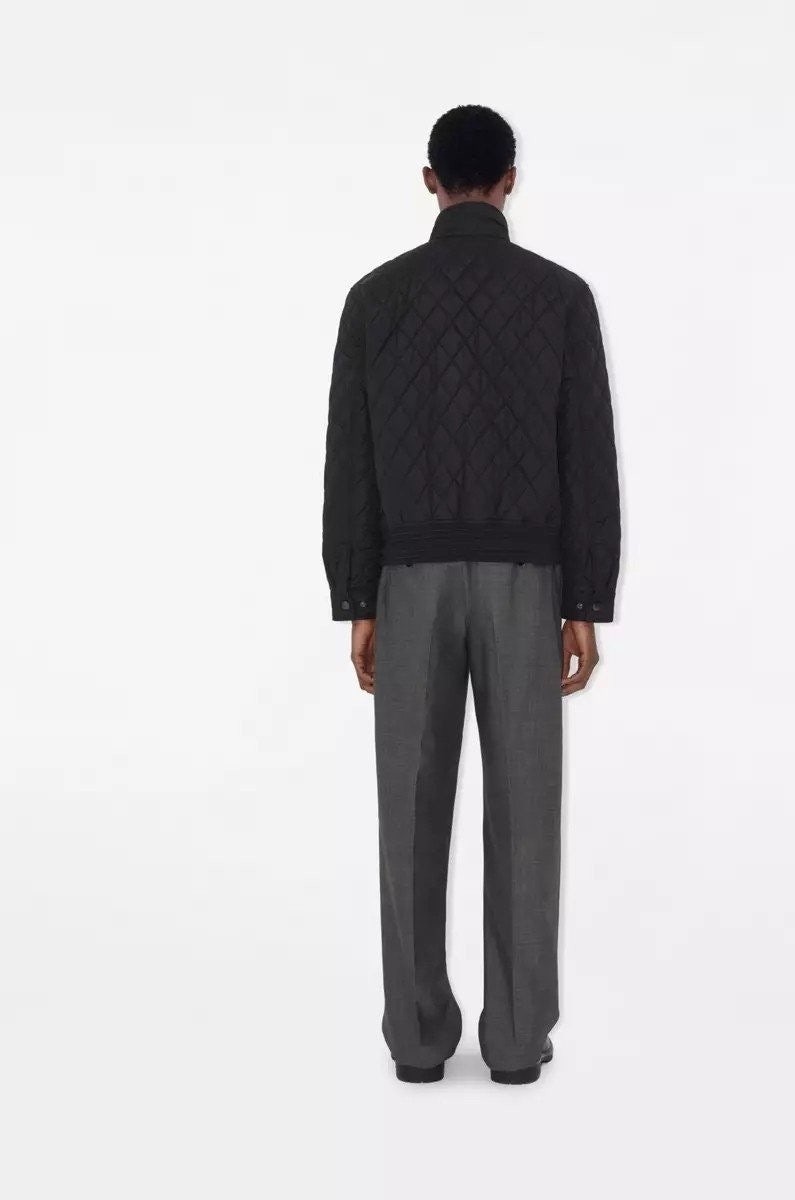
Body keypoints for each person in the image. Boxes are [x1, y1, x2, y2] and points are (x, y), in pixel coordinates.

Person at [322, 104, 620, 1085]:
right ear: (510, 181)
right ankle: (517, 1039)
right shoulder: (561, 297)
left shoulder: (375, 299)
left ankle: (416, 1041)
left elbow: (349, 462)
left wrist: (358, 597)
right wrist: (586, 599)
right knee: (525, 810)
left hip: (408, 581)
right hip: (526, 583)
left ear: (429, 180)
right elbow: (588, 456)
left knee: (408, 810)